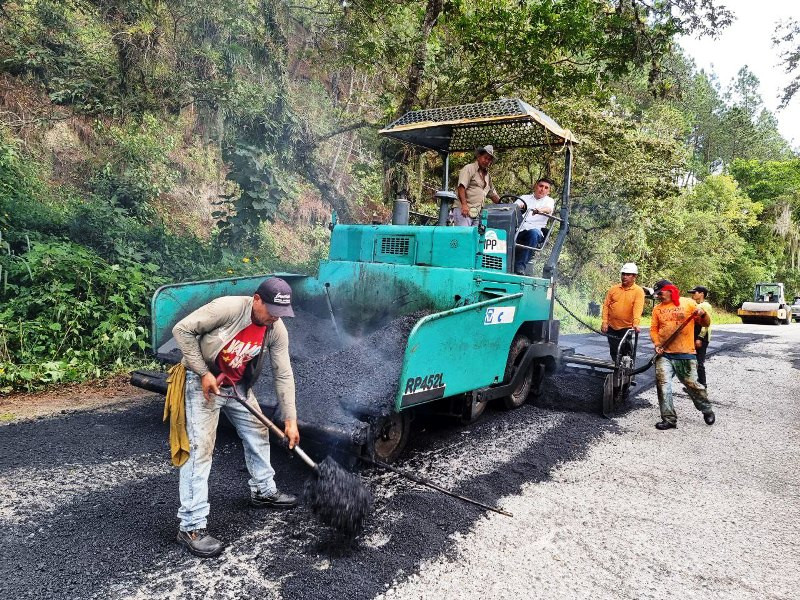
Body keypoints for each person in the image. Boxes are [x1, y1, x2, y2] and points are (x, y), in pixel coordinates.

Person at [171, 277, 301, 558]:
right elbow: (182, 330)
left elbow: (283, 373)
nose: (275, 319)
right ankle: (191, 527)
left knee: (258, 431)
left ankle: (263, 491)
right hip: (202, 382)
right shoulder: (228, 309)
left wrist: (290, 420)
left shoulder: (275, 328)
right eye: (271, 312)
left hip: (236, 386)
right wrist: (203, 373)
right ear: (257, 300)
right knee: (200, 450)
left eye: (281, 314)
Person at [649, 279, 714, 430]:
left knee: (692, 385)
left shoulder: (688, 303)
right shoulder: (657, 309)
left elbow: (706, 324)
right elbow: (653, 329)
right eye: (657, 294)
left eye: (661, 292)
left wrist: (703, 314)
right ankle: (669, 419)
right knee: (663, 384)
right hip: (665, 354)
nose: (659, 296)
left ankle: (706, 409)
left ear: (670, 290)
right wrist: (657, 344)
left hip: (685, 353)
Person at [600, 262, 645, 362]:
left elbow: (637, 308)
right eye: (623, 274)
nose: (624, 277)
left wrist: (636, 323)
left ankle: (627, 370)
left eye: (628, 274)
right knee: (614, 349)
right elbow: (606, 306)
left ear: (634, 276)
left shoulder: (638, 291)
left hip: (626, 327)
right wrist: (604, 321)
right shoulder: (613, 289)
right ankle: (617, 368)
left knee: (625, 349)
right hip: (612, 326)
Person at [513, 178, 555, 274]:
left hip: (535, 230)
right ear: (536, 186)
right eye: (541, 186)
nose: (542, 189)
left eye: (546, 188)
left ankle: (520, 266)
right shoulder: (524, 198)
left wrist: (539, 210)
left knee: (534, 233)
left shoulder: (549, 201)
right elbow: (513, 208)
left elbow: (548, 209)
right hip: (519, 229)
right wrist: (518, 207)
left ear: (548, 191)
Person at [453, 145, 501, 226]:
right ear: (479, 156)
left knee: (476, 237)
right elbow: (461, 187)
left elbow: (493, 194)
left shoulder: (487, 176)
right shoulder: (469, 168)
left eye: (489, 160)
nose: (487, 161)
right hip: (464, 210)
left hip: (477, 213)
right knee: (464, 236)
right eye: (485, 158)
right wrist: (464, 205)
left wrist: (506, 206)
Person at [687, 285, 712, 387]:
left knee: (699, 362)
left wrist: (700, 338)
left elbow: (706, 324)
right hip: (694, 336)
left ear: (702, 294)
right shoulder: (696, 305)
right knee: (692, 361)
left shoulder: (706, 306)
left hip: (702, 338)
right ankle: (695, 383)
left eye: (695, 292)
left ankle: (703, 384)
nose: (693, 294)